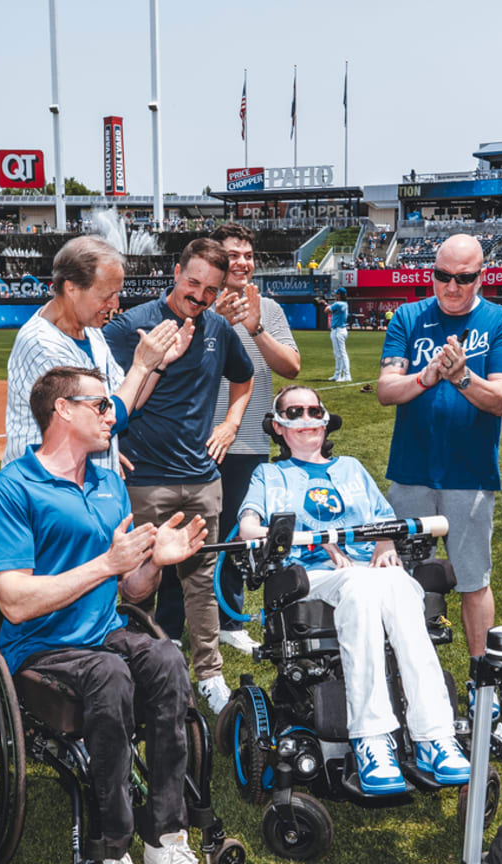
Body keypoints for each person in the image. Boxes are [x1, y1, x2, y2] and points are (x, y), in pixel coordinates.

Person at [0, 365, 208, 864]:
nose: (112, 415)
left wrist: (155, 565)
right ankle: (110, 843)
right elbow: (14, 601)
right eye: (101, 405)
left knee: (167, 657)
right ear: (62, 409)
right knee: (110, 674)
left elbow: (131, 588)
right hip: (41, 647)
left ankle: (165, 836)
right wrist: (106, 562)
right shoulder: (10, 490)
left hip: (104, 634)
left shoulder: (109, 484)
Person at [238, 385, 472, 795]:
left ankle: (436, 734)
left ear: (326, 419)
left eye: (314, 409)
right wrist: (312, 538)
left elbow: (386, 523)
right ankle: (372, 738)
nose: (306, 417)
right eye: (295, 411)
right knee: (362, 585)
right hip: (312, 577)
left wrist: (383, 544)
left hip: (364, 570)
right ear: (278, 426)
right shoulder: (269, 475)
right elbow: (249, 530)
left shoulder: (351, 469)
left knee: (400, 584)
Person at [103, 239, 253, 713]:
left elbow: (243, 377)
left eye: (211, 289)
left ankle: (208, 673)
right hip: (146, 479)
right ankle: (132, 671)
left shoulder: (219, 330)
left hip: (202, 479)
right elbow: (103, 394)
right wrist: (111, 444)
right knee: (136, 581)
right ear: (175, 272)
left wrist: (230, 424)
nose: (201, 296)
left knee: (200, 582)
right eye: (193, 283)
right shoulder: (132, 325)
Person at [376, 234, 502, 709]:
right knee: (398, 579)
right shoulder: (408, 317)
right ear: (431, 272)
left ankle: (482, 684)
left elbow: (499, 400)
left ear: (483, 275)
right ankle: (397, 676)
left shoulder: (501, 322)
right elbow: (386, 390)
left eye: (464, 278)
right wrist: (427, 376)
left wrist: (460, 375)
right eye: (442, 276)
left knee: (473, 580)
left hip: (470, 474)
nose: (452, 287)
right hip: (411, 472)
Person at [2, 235, 192, 473]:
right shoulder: (42, 344)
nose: (115, 304)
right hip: (43, 488)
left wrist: (157, 365)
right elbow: (99, 421)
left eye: (117, 293)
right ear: (71, 288)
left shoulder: (91, 332)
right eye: (106, 296)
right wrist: (141, 366)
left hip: (83, 482)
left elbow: (127, 402)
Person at [208, 222, 301, 655]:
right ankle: (174, 621)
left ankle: (228, 619)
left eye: (248, 254)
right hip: (200, 438)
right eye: (233, 254)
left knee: (235, 534)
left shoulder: (271, 309)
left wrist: (256, 326)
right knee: (194, 531)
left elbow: (292, 368)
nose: (242, 262)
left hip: (248, 441)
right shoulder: (200, 303)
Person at [324, 289, 352, 381]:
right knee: (338, 354)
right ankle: (337, 374)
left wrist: (325, 304)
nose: (335, 294)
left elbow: (326, 310)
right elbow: (332, 310)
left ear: (339, 295)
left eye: (337, 293)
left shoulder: (338, 304)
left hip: (338, 331)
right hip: (341, 330)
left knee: (341, 353)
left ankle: (347, 375)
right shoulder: (344, 304)